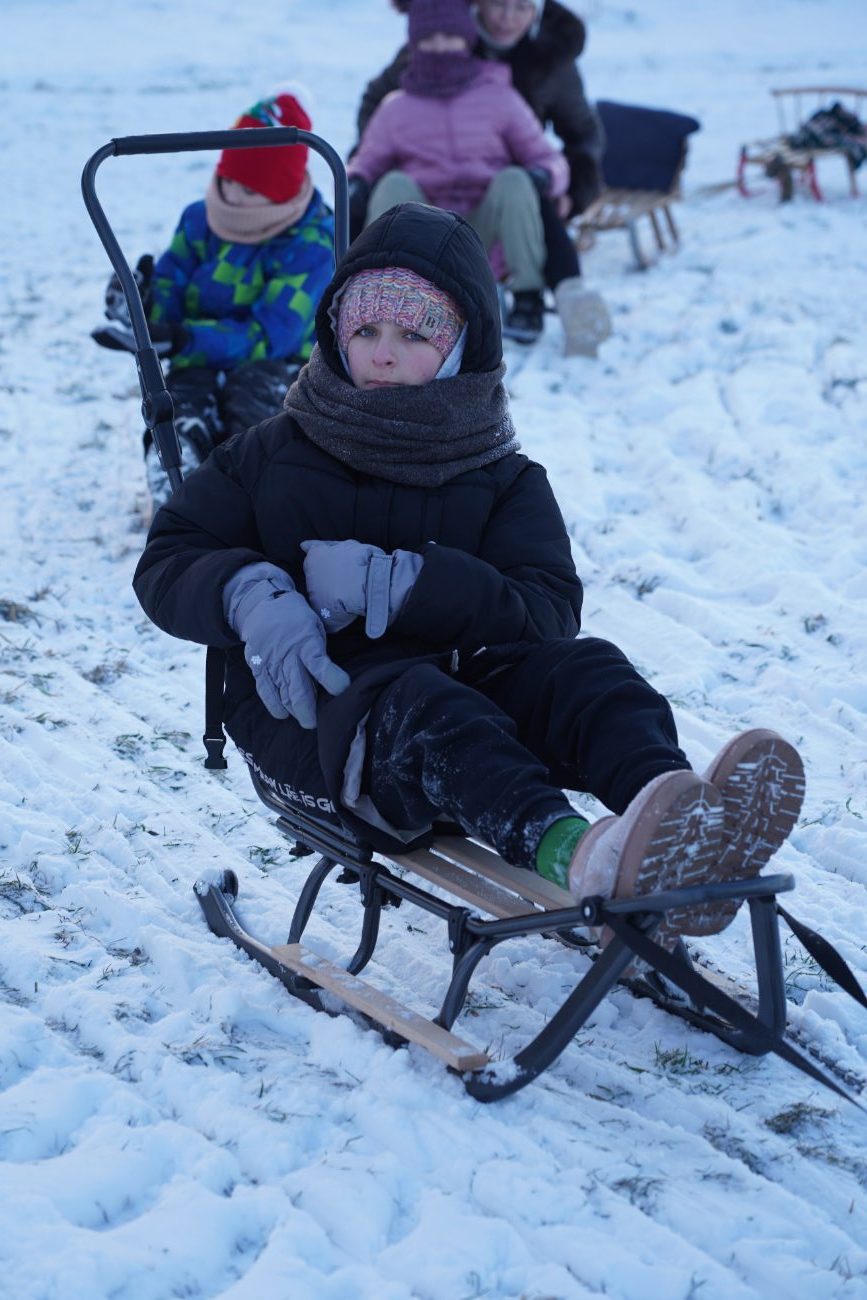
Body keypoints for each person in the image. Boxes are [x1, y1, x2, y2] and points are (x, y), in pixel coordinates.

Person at [132, 201, 805, 950]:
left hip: (467, 697)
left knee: (590, 671)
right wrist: (247, 592)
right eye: (364, 330)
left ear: (460, 349)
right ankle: (583, 857)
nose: (382, 353)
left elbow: (545, 612)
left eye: (414, 333)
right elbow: (169, 557)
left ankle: (672, 823)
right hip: (313, 724)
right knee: (430, 710)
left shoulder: (502, 476)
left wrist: (407, 583)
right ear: (335, 332)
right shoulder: (271, 450)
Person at [92, 93, 335, 510]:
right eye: (228, 179)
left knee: (257, 409)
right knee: (181, 398)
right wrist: (142, 305)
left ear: (282, 191)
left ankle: (258, 485)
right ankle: (177, 470)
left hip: (280, 361)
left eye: (250, 187)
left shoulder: (311, 241)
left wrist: (184, 339)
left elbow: (270, 334)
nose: (233, 196)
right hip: (198, 357)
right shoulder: (198, 219)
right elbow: (172, 285)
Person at [354, 0, 610, 355]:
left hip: (494, 211)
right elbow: (368, 152)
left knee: (518, 183)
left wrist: (558, 183)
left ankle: (543, 295)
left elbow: (564, 145)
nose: (508, 17)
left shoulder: (515, 83)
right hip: (426, 217)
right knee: (390, 186)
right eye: (499, 5)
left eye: (521, 7)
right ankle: (380, 291)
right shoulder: (401, 96)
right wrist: (359, 180)